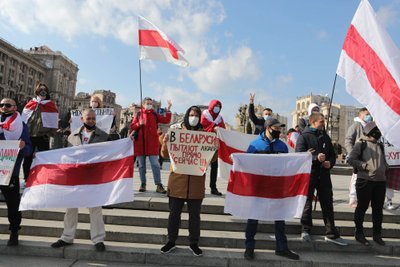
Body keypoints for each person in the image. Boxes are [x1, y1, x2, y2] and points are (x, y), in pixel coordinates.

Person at [51, 109, 109, 252]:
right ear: (82, 119)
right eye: (88, 118)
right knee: (71, 208)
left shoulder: (104, 136)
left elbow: (110, 154)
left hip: (94, 177)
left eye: (93, 118)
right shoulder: (72, 136)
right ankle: (67, 237)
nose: (91, 120)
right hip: (75, 177)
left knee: (95, 209)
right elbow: (65, 156)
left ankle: (98, 239)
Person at [244, 118, 299, 261]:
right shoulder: (255, 144)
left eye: (280, 129)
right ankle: (249, 248)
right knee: (253, 218)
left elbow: (287, 165)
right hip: (259, 186)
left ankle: (282, 248)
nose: (279, 131)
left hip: (276, 187)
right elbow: (246, 163)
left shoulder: (282, 146)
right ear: (268, 128)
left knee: (279, 217)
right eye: (276, 128)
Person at [160, 106, 208, 257]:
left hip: (196, 184)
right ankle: (171, 241)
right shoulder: (176, 132)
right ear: (187, 115)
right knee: (174, 215)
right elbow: (165, 154)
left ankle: (194, 243)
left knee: (195, 216)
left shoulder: (205, 135)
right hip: (177, 182)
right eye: (191, 115)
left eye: (196, 115)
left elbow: (210, 159)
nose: (194, 117)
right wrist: (165, 143)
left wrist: (215, 148)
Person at [295, 112, 348, 246]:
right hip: (309, 175)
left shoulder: (325, 136)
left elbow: (332, 154)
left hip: (324, 175)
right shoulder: (304, 137)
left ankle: (331, 233)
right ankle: (305, 229)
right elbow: (299, 156)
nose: (324, 124)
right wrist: (315, 158)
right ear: (313, 122)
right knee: (307, 203)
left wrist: (330, 162)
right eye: (321, 122)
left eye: (324, 122)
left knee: (327, 203)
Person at [348, 121, 387, 246]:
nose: (379, 133)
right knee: (362, 207)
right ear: (371, 131)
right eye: (377, 130)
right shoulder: (361, 143)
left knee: (378, 209)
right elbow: (351, 159)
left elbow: (384, 159)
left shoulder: (380, 145)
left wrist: (384, 167)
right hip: (365, 180)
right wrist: (364, 166)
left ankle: (377, 234)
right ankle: (359, 233)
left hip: (380, 181)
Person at [0, 98, 32, 246]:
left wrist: (22, 146)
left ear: (14, 107)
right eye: (1, 105)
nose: (4, 107)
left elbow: (28, 151)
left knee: (13, 204)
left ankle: (14, 232)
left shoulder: (22, 126)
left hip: (9, 172)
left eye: (7, 105)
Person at [130, 97, 172, 193]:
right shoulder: (139, 114)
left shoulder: (154, 114)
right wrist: (138, 124)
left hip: (152, 144)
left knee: (155, 164)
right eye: (147, 103)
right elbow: (132, 126)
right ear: (143, 104)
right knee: (141, 166)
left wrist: (168, 110)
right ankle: (143, 183)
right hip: (140, 143)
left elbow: (166, 120)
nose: (149, 105)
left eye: (151, 104)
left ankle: (158, 184)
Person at [22, 82, 58, 181]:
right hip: (30, 136)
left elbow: (54, 121)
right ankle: (27, 179)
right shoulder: (31, 103)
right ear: (37, 92)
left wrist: (49, 134)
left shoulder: (50, 104)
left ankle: (43, 179)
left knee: (44, 159)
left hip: (43, 136)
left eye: (44, 90)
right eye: (40, 90)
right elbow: (24, 119)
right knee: (27, 159)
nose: (42, 92)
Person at [344, 107, 371, 208]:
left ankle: (365, 199)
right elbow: (348, 140)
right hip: (357, 157)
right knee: (355, 177)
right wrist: (352, 154)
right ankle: (353, 199)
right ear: (360, 115)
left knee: (367, 179)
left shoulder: (369, 126)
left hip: (368, 157)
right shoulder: (356, 125)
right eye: (366, 114)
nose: (369, 116)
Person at [200, 99, 225, 196]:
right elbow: (202, 126)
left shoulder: (220, 118)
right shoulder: (205, 115)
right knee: (202, 167)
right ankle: (200, 186)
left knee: (214, 167)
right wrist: (214, 127)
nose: (217, 108)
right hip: (204, 145)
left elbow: (223, 129)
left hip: (215, 145)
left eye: (219, 106)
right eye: (215, 105)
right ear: (211, 106)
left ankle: (213, 187)